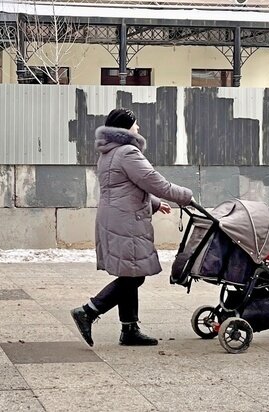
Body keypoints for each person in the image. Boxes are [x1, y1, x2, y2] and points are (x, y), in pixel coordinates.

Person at [71, 108, 193, 347]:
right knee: (134, 276)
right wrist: (186, 196)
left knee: (130, 272)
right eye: (136, 124)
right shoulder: (127, 152)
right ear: (125, 128)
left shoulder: (109, 152)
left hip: (114, 217)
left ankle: (129, 329)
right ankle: (89, 310)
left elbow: (124, 186)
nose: (139, 129)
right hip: (126, 221)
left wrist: (155, 204)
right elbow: (154, 181)